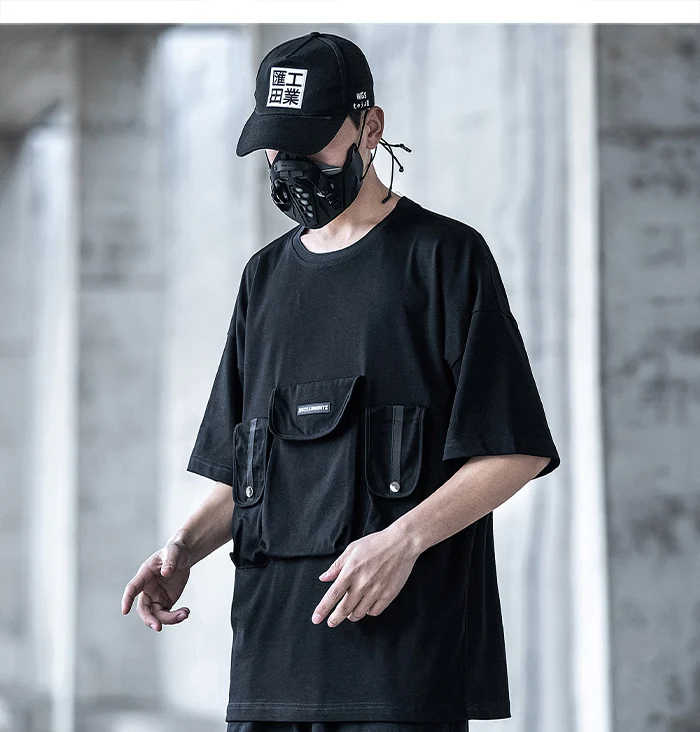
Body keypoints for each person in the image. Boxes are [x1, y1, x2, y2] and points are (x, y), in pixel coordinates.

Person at [121, 30, 561, 732]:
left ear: (371, 127)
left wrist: (403, 540)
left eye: (313, 144)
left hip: (399, 673)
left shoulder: (443, 259)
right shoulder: (264, 280)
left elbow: (514, 450)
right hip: (268, 667)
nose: (293, 167)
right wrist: (183, 548)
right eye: (277, 147)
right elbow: (249, 474)